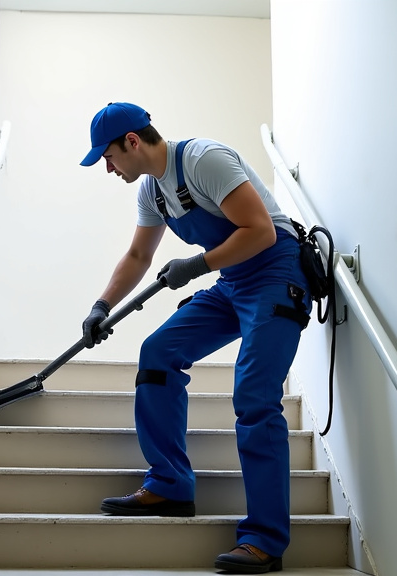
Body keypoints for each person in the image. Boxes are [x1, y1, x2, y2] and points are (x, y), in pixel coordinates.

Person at [79, 102, 311, 575]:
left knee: (254, 395)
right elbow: (139, 255)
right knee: (158, 353)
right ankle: (169, 483)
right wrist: (101, 306)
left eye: (107, 156)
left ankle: (264, 540)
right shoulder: (151, 192)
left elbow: (262, 231)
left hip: (275, 271)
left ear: (132, 141)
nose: (107, 168)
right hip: (232, 282)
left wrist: (198, 265)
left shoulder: (203, 159)